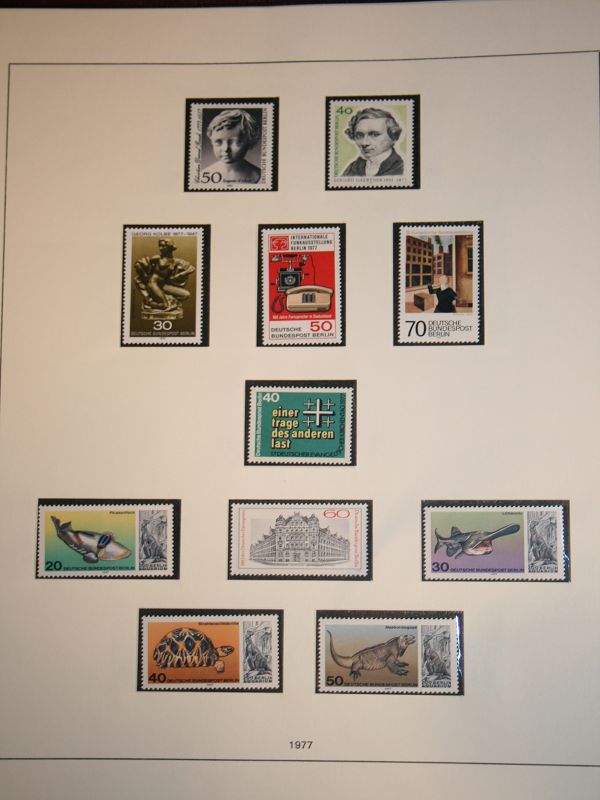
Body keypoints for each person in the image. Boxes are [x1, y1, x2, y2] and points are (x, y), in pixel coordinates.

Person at [134, 238, 195, 313]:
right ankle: (149, 303)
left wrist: (183, 273)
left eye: (163, 246)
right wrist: (143, 272)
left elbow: (192, 268)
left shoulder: (176, 261)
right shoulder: (157, 258)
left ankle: (170, 302)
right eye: (159, 246)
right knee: (165, 305)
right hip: (153, 284)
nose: (160, 248)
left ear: (170, 247)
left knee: (186, 295)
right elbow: (139, 263)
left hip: (163, 285)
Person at [342, 107, 404, 177]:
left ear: (393, 136)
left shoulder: (401, 167)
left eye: (374, 134)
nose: (364, 143)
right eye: (359, 135)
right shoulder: (352, 169)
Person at [204, 109, 261, 184]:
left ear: (250, 142)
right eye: (218, 142)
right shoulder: (204, 175)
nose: (225, 149)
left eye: (234, 142)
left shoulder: (259, 176)